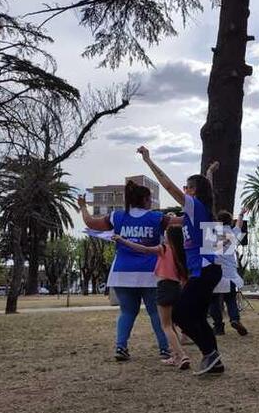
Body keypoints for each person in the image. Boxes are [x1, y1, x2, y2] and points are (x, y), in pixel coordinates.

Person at [138, 147, 224, 375]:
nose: (184, 190)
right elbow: (170, 220)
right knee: (194, 315)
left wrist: (149, 161)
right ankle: (213, 359)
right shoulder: (193, 214)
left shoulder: (196, 208)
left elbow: (168, 186)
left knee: (180, 315)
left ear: (194, 192)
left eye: (188, 188)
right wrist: (209, 172)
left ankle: (210, 354)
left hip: (205, 271)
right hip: (204, 272)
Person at [77, 182, 170, 362]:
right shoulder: (157, 218)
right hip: (150, 273)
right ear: (145, 200)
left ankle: (121, 346)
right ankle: (165, 348)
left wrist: (83, 207)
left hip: (122, 272)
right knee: (155, 312)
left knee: (127, 312)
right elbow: (184, 222)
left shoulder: (116, 216)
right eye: (150, 199)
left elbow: (90, 223)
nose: (151, 202)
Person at [112, 226, 191, 369]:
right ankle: (175, 355)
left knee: (166, 326)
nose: (164, 236)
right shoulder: (181, 252)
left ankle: (182, 355)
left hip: (164, 288)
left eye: (166, 234)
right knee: (171, 325)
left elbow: (143, 249)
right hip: (177, 288)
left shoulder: (164, 248)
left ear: (170, 238)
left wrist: (122, 240)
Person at [208, 208, 249, 336]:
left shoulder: (212, 233)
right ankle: (235, 319)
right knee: (230, 299)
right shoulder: (231, 232)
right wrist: (241, 214)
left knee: (214, 300)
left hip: (215, 271)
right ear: (229, 221)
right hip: (230, 272)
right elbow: (239, 225)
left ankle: (218, 326)